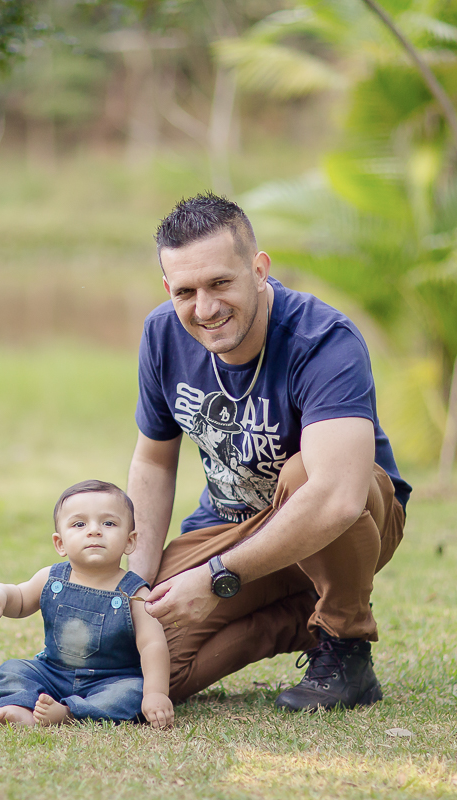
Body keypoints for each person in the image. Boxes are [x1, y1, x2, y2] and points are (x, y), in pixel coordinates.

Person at [128, 193, 411, 712]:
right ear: (167, 288)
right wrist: (137, 583)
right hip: (229, 524)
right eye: (186, 291)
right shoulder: (162, 335)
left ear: (258, 270)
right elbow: (153, 461)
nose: (205, 308)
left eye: (220, 283)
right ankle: (297, 616)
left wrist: (215, 580)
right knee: (143, 666)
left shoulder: (322, 338)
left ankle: (344, 645)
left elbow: (338, 497)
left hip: (347, 524)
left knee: (309, 474)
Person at [0, 480, 174, 728]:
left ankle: (68, 712)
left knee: (132, 692)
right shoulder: (51, 578)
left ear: (130, 541)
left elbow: (153, 644)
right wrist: (0, 595)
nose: (94, 531)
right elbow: (21, 598)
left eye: (108, 523)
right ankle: (20, 707)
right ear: (60, 543)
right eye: (79, 524)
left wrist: (155, 693)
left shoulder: (135, 593)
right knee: (13, 670)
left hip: (110, 680)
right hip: (53, 673)